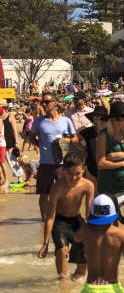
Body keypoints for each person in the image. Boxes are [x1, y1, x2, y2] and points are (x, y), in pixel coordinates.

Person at [74, 194, 124, 293]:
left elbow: (76, 238)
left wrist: (88, 224)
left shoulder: (86, 231)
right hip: (112, 290)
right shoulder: (121, 234)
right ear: (114, 214)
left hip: (90, 290)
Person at [37, 152, 94, 280]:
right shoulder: (58, 187)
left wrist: (92, 233)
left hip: (77, 220)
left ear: (83, 169)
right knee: (62, 250)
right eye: (69, 174)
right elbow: (50, 216)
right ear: (63, 170)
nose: (73, 178)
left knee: (81, 270)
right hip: (60, 221)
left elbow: (89, 212)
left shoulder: (88, 185)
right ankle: (62, 281)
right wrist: (45, 243)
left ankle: (75, 279)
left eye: (78, 174)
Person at [28, 92, 79, 220]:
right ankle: (45, 221)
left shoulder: (65, 121)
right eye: (42, 102)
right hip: (45, 163)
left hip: (62, 163)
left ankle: (63, 219)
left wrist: (68, 141)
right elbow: (31, 137)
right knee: (44, 194)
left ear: (54, 103)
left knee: (65, 193)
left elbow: (76, 138)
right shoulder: (39, 121)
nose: (44, 105)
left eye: (46, 102)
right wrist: (40, 146)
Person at [96, 102, 124, 197]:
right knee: (113, 211)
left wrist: (120, 154)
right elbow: (100, 163)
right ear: (111, 120)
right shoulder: (103, 135)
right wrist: (122, 164)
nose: (121, 122)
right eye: (117, 119)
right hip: (108, 183)